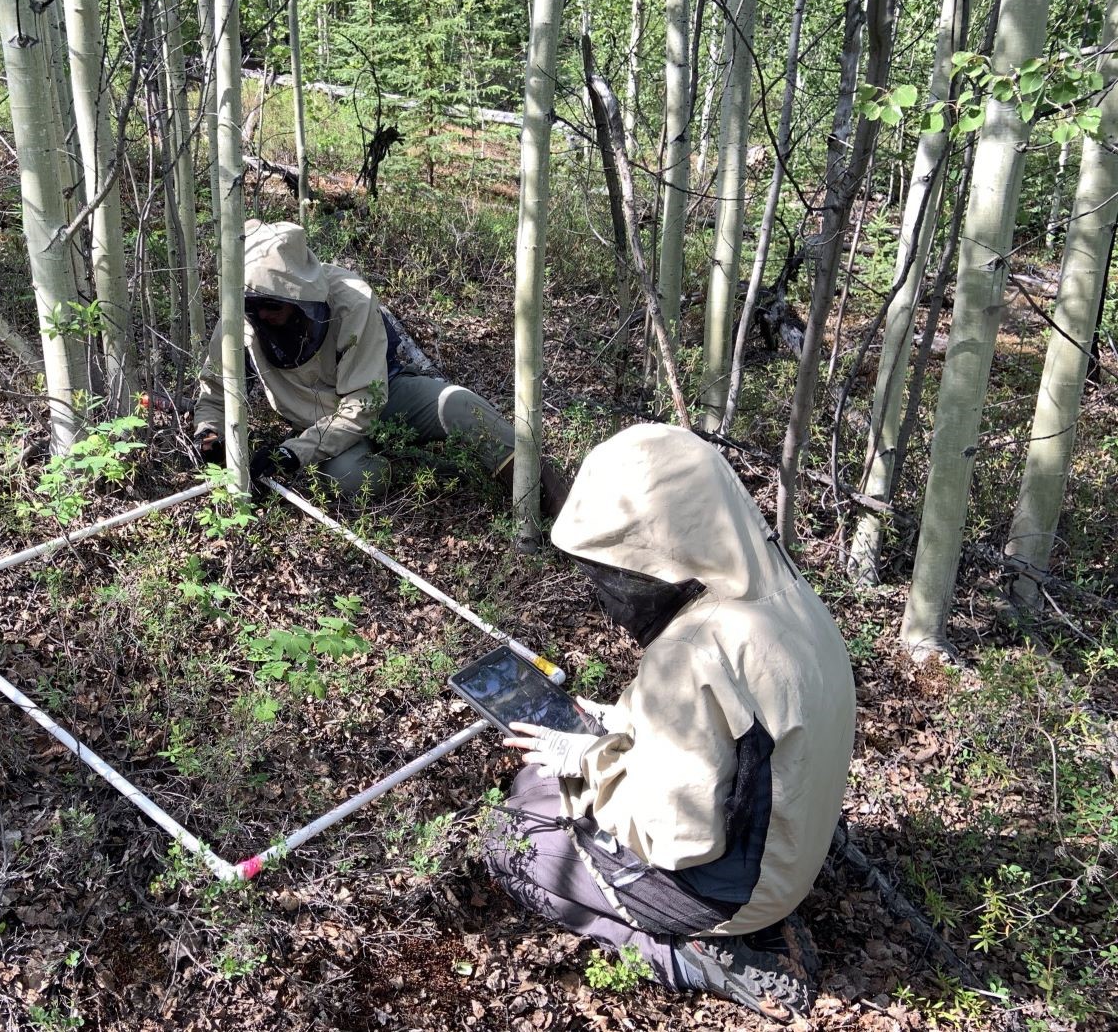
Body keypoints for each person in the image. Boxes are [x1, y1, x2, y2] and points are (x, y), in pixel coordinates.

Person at [483, 424, 856, 1021]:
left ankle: (701, 958)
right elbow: (737, 732)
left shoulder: (693, 649)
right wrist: (618, 729)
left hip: (737, 890)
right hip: (792, 849)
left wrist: (590, 764)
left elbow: (674, 840)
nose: (613, 589)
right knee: (540, 786)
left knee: (513, 835)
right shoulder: (780, 591)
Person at [192, 219, 567, 512]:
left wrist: (292, 453)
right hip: (315, 421)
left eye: (271, 307)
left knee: (461, 406)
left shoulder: (350, 300)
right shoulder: (240, 316)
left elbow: (363, 404)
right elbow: (215, 388)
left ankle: (548, 499)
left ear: (299, 297)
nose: (262, 316)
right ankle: (408, 465)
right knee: (357, 478)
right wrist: (208, 431)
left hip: (380, 395)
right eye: (252, 308)